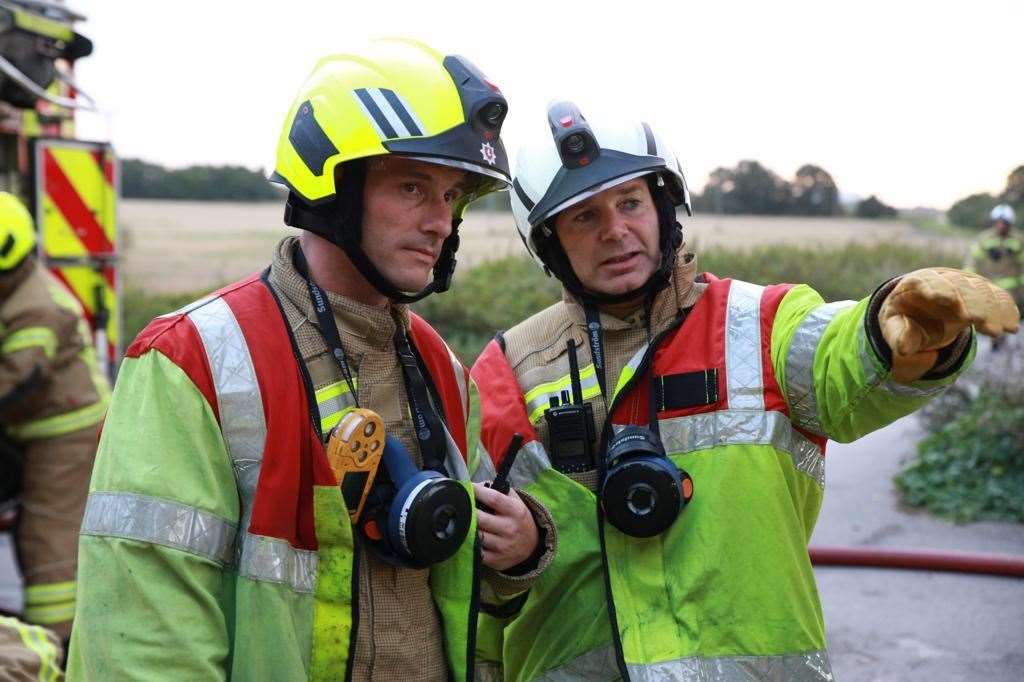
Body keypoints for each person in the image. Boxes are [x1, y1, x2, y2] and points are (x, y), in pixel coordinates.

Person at [469, 102, 1020, 681]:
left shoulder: (763, 322)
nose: (615, 231)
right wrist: (520, 558)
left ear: (662, 206)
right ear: (550, 241)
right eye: (583, 217)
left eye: (630, 202)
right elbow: (474, 591)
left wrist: (897, 334)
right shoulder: (508, 372)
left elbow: (840, 361)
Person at [67, 39, 554, 680]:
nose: (441, 221)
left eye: (453, 195)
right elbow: (144, 640)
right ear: (332, 182)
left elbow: (465, 594)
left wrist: (521, 552)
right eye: (413, 187)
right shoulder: (193, 358)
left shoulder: (440, 368)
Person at [0, 190, 109, 648]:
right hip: (38, 430)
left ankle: (55, 650)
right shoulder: (15, 287)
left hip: (68, 436)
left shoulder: (37, 307)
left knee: (48, 543)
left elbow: (16, 378)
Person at [964, 203, 1022, 349]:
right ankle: (992, 340)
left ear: (1010, 223)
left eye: (1005, 223)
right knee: (989, 316)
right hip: (988, 285)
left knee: (1004, 315)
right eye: (999, 222)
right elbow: (973, 259)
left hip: (1011, 288)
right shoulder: (984, 238)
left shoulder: (1019, 239)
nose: (1001, 226)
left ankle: (998, 341)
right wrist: (967, 279)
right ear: (994, 222)